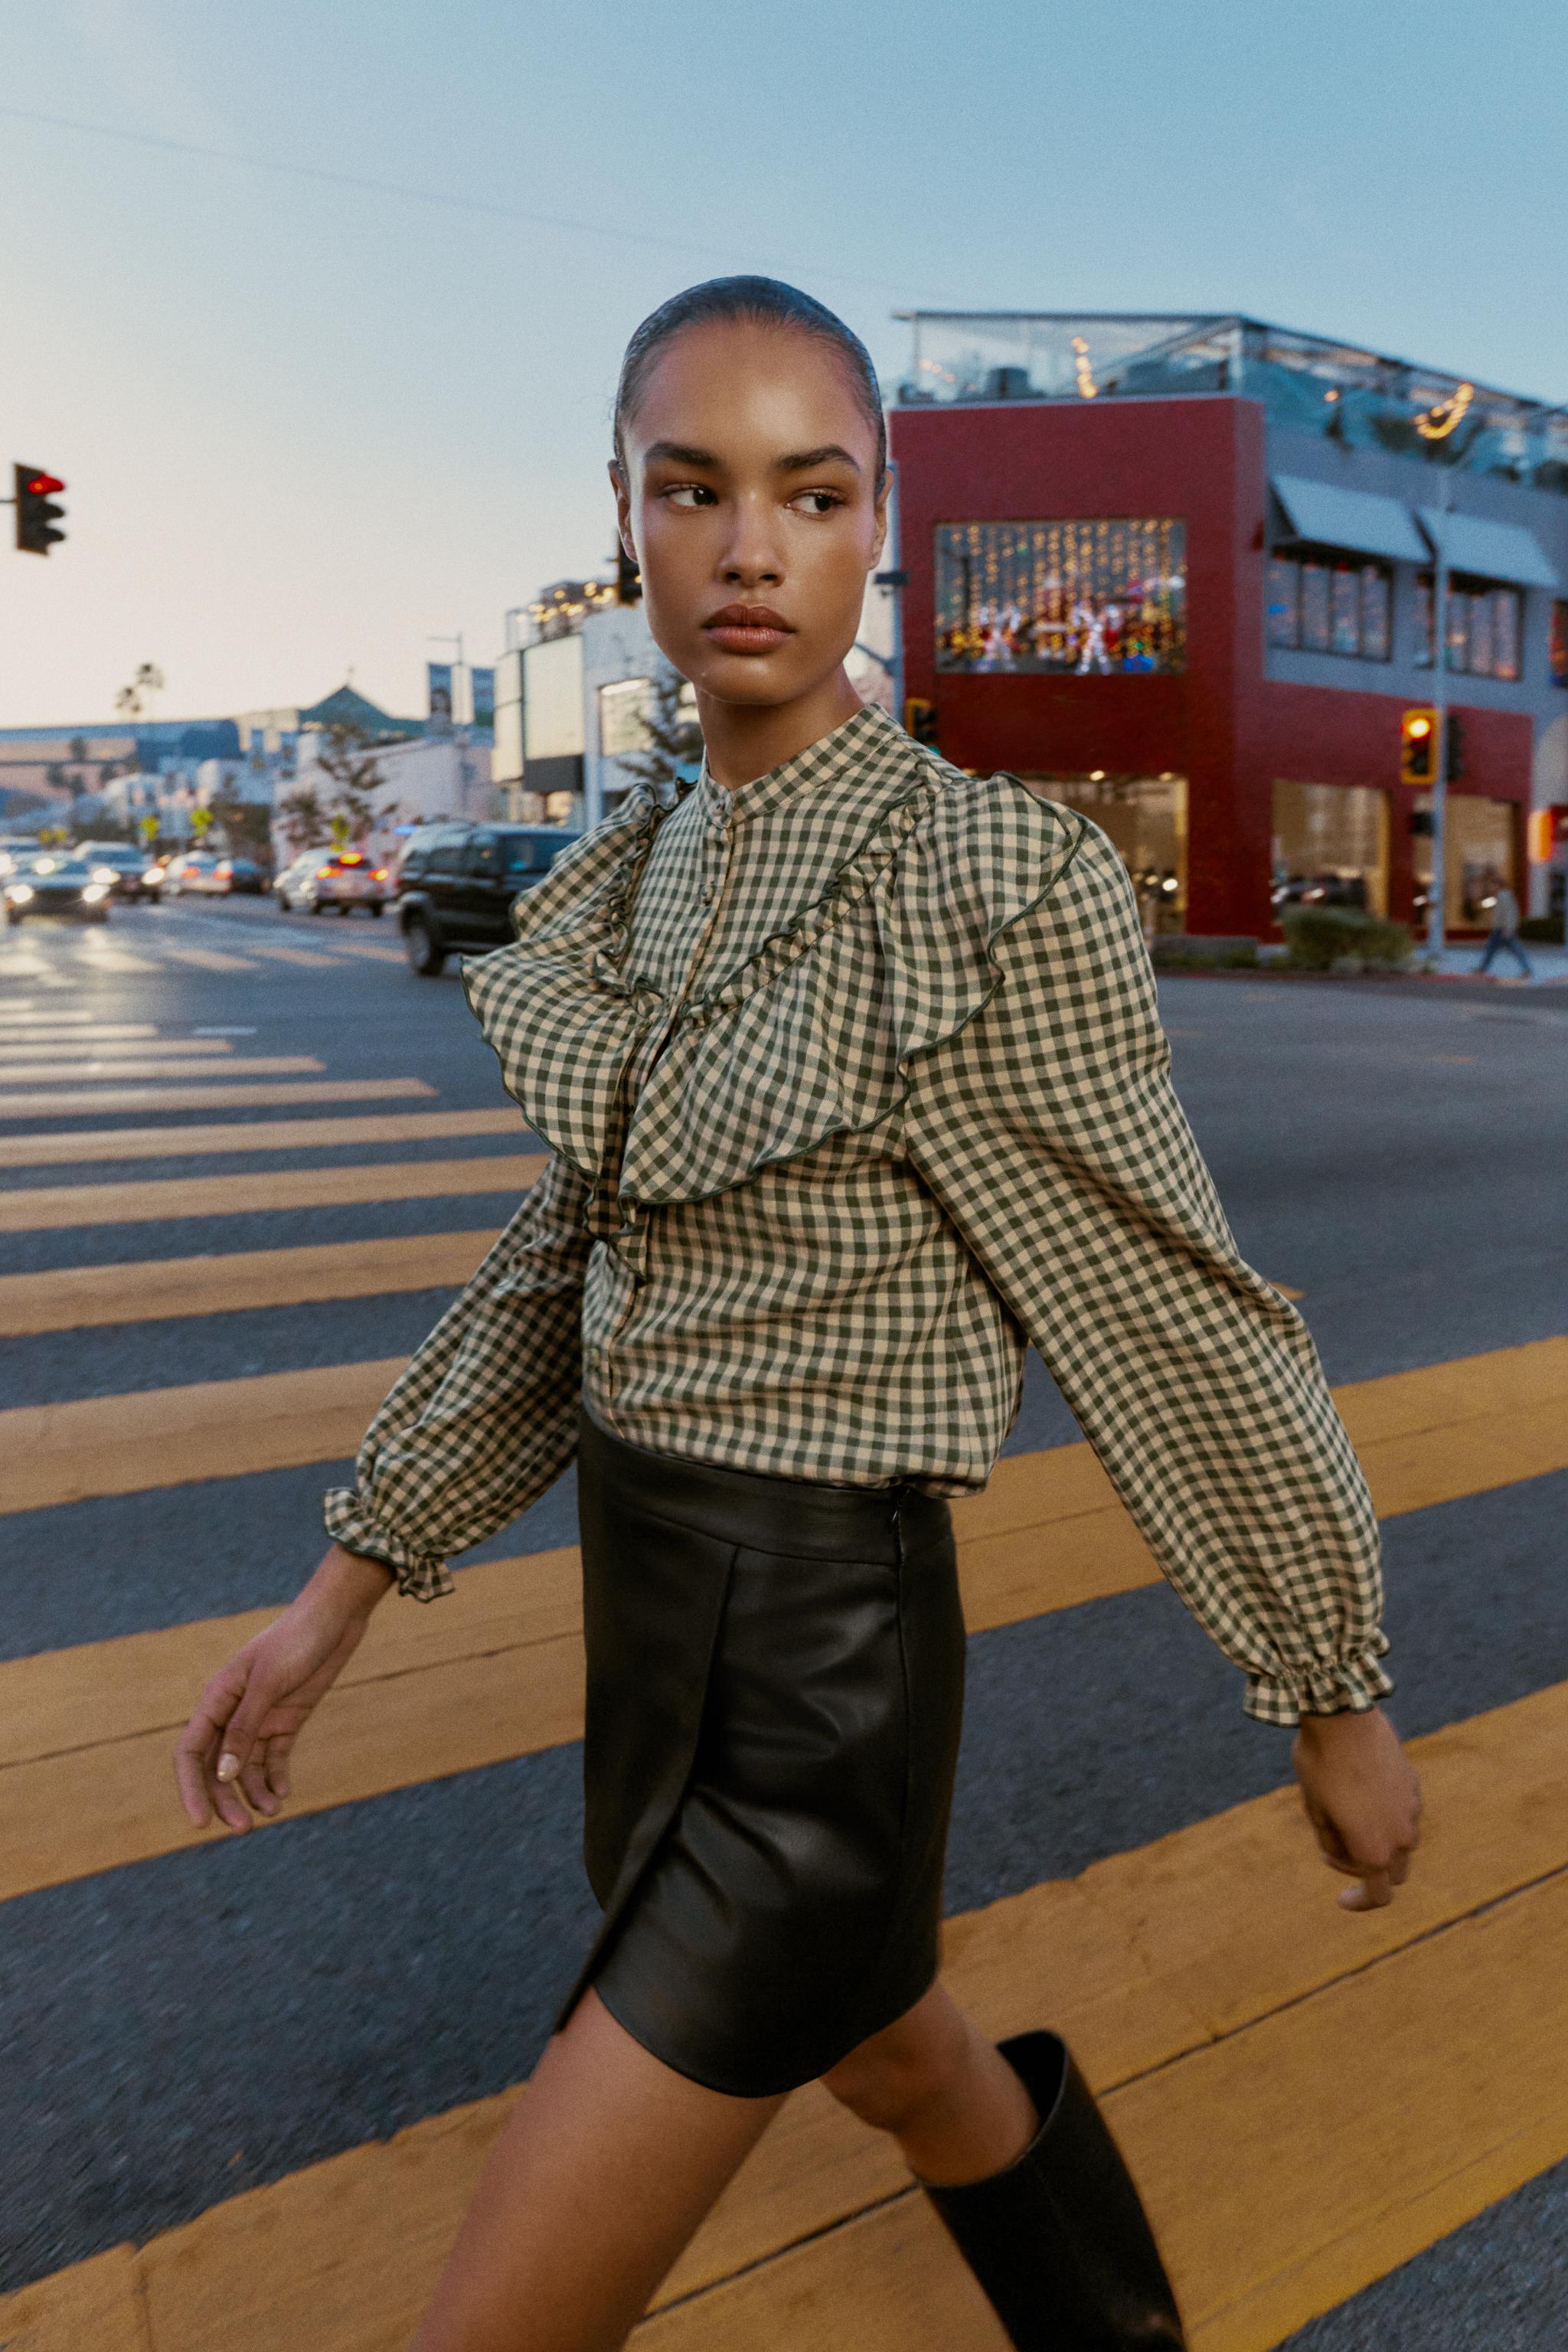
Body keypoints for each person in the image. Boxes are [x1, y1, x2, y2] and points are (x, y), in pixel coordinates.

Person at [175, 277, 1422, 2352]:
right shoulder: (635, 882)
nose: (751, 548)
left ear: (879, 525)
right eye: (696, 489)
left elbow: (1168, 1310)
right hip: (648, 1653)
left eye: (810, 493)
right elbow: (559, 1272)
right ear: (628, 520)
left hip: (820, 1695)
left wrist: (1329, 1683)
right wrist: (337, 1597)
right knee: (895, 2056)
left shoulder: (988, 883)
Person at [1477, 876, 1532, 978]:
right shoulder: (1497, 897)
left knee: (1515, 950)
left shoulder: (1504, 897)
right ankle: (1482, 968)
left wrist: (1509, 929)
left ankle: (1527, 969)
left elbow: (1510, 914)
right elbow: (1483, 905)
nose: (1490, 888)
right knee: (1491, 950)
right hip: (1499, 929)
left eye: (1492, 885)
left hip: (1503, 929)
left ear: (1498, 886)